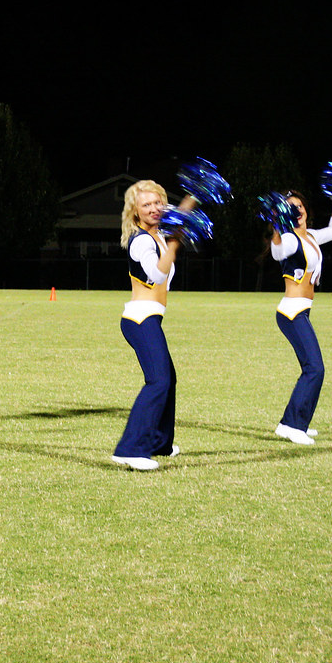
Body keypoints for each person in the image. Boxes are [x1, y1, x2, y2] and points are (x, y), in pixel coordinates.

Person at [112, 181, 197, 471]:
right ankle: (130, 449)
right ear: (135, 212)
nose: (153, 209)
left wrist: (196, 193)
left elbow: (180, 213)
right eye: (146, 205)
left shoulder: (159, 234)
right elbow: (156, 275)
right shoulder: (141, 241)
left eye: (157, 203)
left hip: (150, 317)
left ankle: (160, 442)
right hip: (139, 320)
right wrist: (175, 243)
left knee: (169, 379)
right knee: (158, 381)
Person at [269, 190, 332, 445]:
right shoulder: (289, 239)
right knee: (315, 368)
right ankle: (292, 425)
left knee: (311, 368)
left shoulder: (311, 236)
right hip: (292, 312)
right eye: (290, 207)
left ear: (305, 210)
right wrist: (277, 226)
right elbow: (277, 253)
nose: (297, 210)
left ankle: (294, 422)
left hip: (302, 309)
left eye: (299, 206)